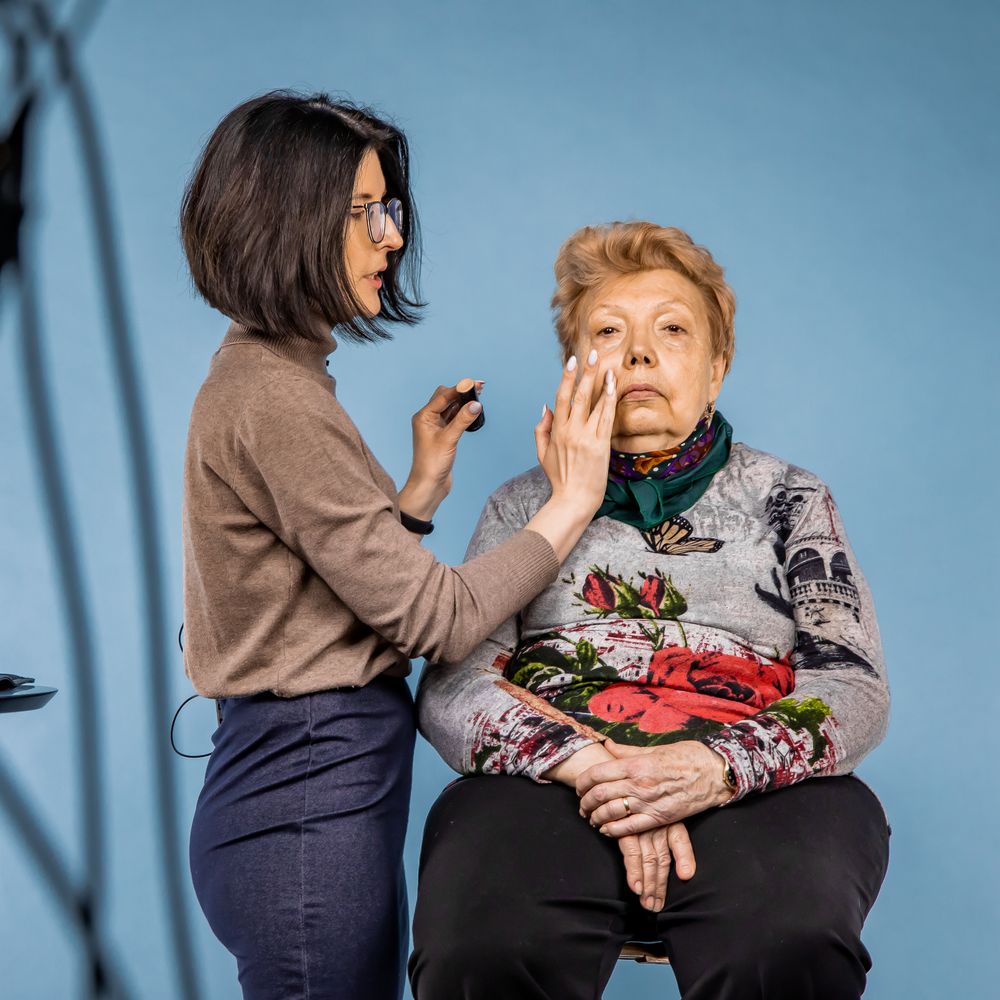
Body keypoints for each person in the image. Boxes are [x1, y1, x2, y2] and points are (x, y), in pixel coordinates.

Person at [179, 91, 617, 1000]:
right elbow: (432, 618)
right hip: (302, 797)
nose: (391, 238)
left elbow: (318, 593)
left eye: (392, 210)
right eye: (366, 213)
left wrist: (416, 492)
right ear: (287, 220)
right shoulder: (276, 401)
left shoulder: (270, 379)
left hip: (304, 785)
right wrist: (570, 504)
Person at [411, 221, 891, 1000]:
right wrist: (596, 766)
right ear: (575, 367)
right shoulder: (520, 506)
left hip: (755, 783)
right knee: (485, 941)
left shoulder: (791, 499)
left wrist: (710, 768)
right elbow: (454, 685)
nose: (637, 353)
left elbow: (855, 687)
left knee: (786, 943)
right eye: (608, 331)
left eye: (671, 329)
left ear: (717, 370)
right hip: (556, 781)